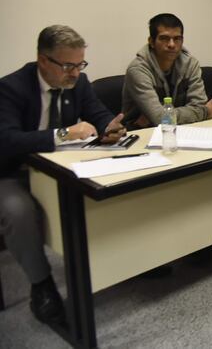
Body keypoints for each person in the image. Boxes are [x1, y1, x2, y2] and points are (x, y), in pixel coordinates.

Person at [0, 25, 125, 324]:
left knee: (111, 187)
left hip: (62, 168)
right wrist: (64, 133)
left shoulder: (78, 83)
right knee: (18, 211)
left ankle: (127, 261)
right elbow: (7, 141)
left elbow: (98, 113)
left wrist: (111, 127)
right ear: (44, 61)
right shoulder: (11, 88)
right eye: (68, 65)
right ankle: (41, 285)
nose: (75, 73)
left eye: (80, 64)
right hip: (12, 171)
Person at [122, 13, 212, 130]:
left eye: (177, 39)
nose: (172, 44)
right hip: (141, 133)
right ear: (151, 41)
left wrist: (166, 115)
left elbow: (198, 106)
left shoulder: (190, 64)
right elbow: (159, 118)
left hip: (182, 130)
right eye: (164, 38)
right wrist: (205, 112)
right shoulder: (138, 70)